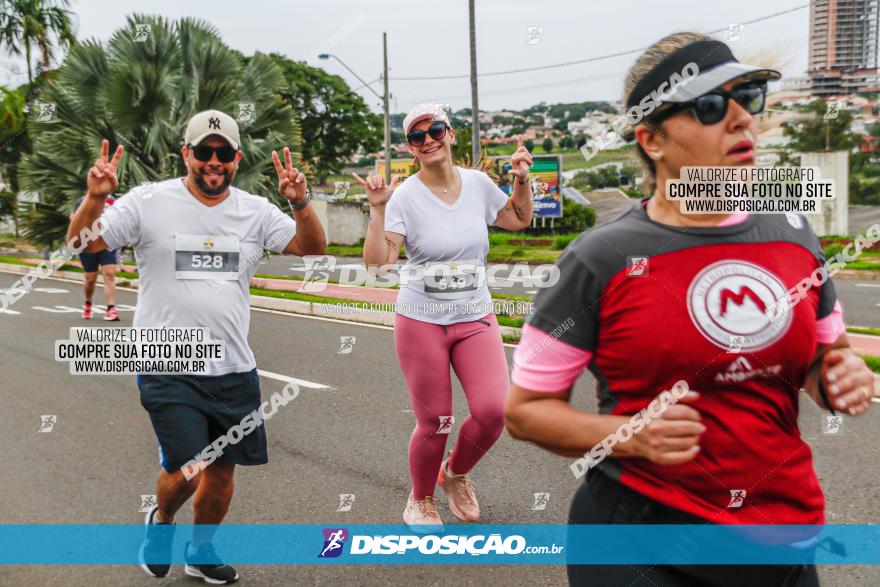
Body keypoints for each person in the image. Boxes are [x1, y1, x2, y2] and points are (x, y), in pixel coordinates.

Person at [504, 33, 875, 587]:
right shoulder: (597, 258)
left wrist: (837, 377)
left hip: (781, 541)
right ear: (652, 139)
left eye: (746, 97)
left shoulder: (793, 234)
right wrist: (626, 436)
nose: (740, 120)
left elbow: (826, 359)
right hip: (641, 545)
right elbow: (524, 411)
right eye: (708, 107)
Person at [67, 109, 326, 584]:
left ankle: (201, 551)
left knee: (223, 471)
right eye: (203, 151)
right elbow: (83, 244)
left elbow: (311, 248)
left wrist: (301, 204)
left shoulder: (254, 210)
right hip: (167, 357)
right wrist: (94, 198)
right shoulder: (148, 202)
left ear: (236, 158)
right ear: (186, 153)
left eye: (223, 153)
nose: (213, 161)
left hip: (233, 365)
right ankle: (161, 522)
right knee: (190, 465)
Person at [355, 103, 534, 532]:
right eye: (417, 135)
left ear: (450, 134)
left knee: (495, 410)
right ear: (410, 148)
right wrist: (378, 211)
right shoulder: (404, 198)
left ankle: (454, 472)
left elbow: (518, 218)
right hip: (422, 320)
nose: (428, 139)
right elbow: (379, 265)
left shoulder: (477, 184)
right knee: (436, 420)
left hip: (475, 315)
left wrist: (522, 181)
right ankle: (420, 500)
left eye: (435, 129)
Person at [71, 195, 121, 320]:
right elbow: (73, 218)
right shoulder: (83, 201)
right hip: (88, 244)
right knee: (90, 279)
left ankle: (111, 309)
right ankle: (88, 303)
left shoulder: (113, 201)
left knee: (109, 274)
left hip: (108, 242)